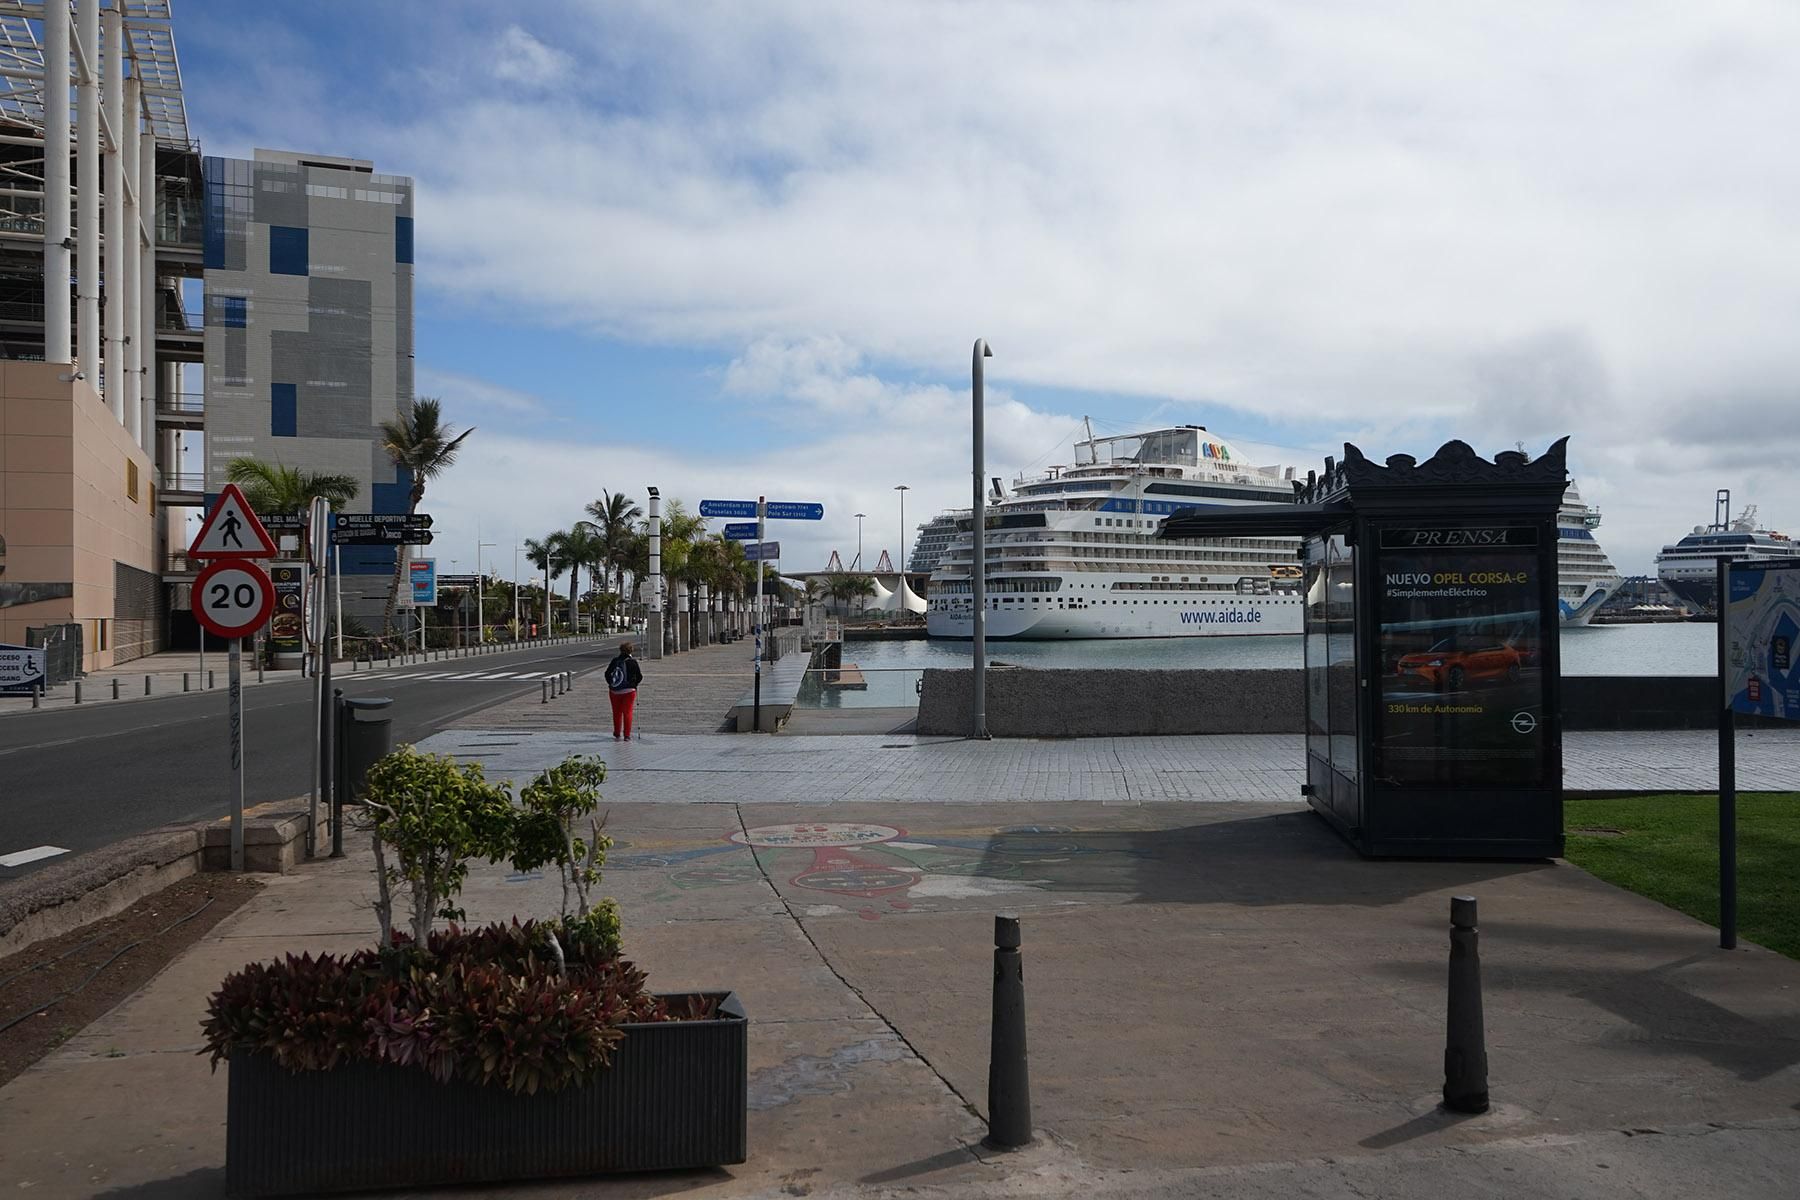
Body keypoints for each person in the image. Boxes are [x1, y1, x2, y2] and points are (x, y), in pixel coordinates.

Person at [605, 640, 643, 740]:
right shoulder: (633, 662)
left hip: (615, 691)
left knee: (616, 712)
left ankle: (617, 732)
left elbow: (607, 674)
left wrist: (611, 684)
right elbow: (639, 676)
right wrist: (634, 685)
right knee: (628, 712)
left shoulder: (615, 661)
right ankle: (627, 735)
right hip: (629, 691)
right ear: (631, 651)